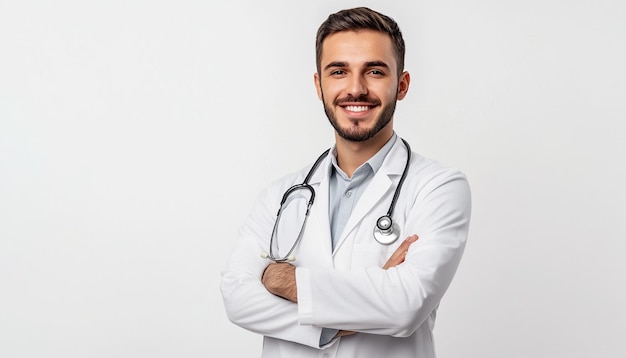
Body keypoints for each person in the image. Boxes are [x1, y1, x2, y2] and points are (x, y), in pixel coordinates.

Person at [220, 6, 471, 358]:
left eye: (374, 71)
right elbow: (237, 297)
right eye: (339, 71)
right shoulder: (280, 196)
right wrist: (357, 308)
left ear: (402, 85)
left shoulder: (439, 188)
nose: (356, 88)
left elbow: (406, 304)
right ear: (318, 85)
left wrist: (282, 280)